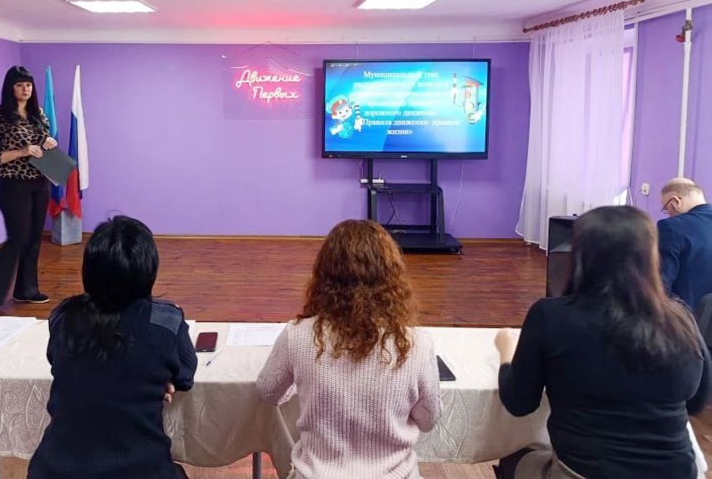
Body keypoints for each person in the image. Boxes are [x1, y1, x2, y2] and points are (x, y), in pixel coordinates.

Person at [494, 206, 709, 479]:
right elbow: (695, 402)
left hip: (581, 472)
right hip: (678, 474)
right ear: (650, 256)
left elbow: (519, 403)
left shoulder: (550, 316)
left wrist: (506, 352)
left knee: (514, 457)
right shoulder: (681, 320)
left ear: (580, 255)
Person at [256, 219, 441, 479]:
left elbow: (266, 392)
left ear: (324, 275)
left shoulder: (297, 335)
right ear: (391, 277)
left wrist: (300, 382)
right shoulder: (416, 343)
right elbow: (428, 420)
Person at [27, 216, 197, 479]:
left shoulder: (64, 316)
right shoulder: (165, 320)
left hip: (54, 471)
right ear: (149, 271)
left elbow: (55, 359)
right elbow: (185, 374)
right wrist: (160, 376)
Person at [0, 65, 58, 315]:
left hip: (40, 181)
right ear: (11, 88)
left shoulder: (37, 114)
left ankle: (27, 289)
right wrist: (21, 152)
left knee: (33, 238)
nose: (25, 89)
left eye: (29, 85)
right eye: (20, 85)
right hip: (13, 184)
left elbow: (43, 142)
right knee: (17, 238)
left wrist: (48, 142)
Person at [658, 178, 712, 310]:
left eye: (666, 208)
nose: (668, 214)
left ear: (675, 201)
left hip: (688, 317)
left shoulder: (671, 227)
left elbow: (662, 284)